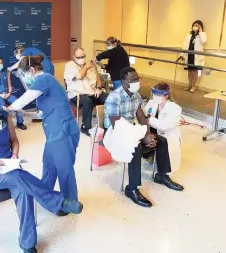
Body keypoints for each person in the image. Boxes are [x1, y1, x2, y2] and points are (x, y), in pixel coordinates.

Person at [0, 86, 83, 253]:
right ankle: (59, 201)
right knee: (17, 177)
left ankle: (28, 243)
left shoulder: (2, 116)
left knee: (23, 190)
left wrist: (15, 154)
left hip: (7, 164)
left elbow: (14, 141)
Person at [5, 54, 81, 215]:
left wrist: (8, 108)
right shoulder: (43, 84)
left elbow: (22, 100)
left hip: (63, 131)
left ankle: (69, 203)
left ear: (31, 70)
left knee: (64, 169)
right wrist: (25, 114)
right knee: (48, 166)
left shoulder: (44, 79)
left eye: (23, 74)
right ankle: (47, 198)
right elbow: (41, 113)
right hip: (54, 132)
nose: (23, 78)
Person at [104, 67, 183, 208]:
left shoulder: (136, 95)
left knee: (161, 140)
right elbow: (117, 125)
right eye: (132, 80)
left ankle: (162, 175)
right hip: (115, 132)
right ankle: (132, 188)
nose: (136, 82)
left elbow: (141, 116)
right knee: (136, 147)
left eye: (137, 79)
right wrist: (141, 136)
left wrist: (147, 134)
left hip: (132, 129)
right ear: (123, 82)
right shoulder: (114, 97)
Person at [64, 47, 108, 135]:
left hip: (92, 92)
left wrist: (98, 88)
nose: (81, 59)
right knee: (87, 101)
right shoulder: (70, 65)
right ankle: (85, 127)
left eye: (83, 56)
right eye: (79, 57)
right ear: (74, 57)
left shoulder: (89, 64)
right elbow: (79, 76)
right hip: (76, 94)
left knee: (108, 97)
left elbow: (98, 78)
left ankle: (107, 125)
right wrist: (86, 67)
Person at [143, 83, 182, 173]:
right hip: (153, 132)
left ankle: (163, 174)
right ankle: (149, 155)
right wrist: (147, 118)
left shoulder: (175, 109)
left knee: (167, 164)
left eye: (160, 95)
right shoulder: (152, 103)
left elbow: (163, 126)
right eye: (155, 94)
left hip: (166, 136)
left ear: (167, 95)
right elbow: (144, 115)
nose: (157, 97)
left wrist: (148, 118)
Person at [0, 56, 27, 130]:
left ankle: (20, 122)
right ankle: (4, 126)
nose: (0, 65)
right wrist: (0, 95)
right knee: (2, 106)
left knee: (17, 102)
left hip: (7, 94)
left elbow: (9, 84)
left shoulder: (6, 72)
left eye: (1, 63)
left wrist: (9, 93)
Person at [177, 20, 207, 93]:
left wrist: (200, 31)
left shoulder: (202, 34)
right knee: (190, 71)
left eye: (197, 25)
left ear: (200, 27)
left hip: (197, 56)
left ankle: (194, 86)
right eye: (194, 25)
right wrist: (182, 54)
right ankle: (189, 84)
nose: (195, 27)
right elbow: (185, 44)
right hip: (189, 54)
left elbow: (204, 41)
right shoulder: (189, 34)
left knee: (196, 72)